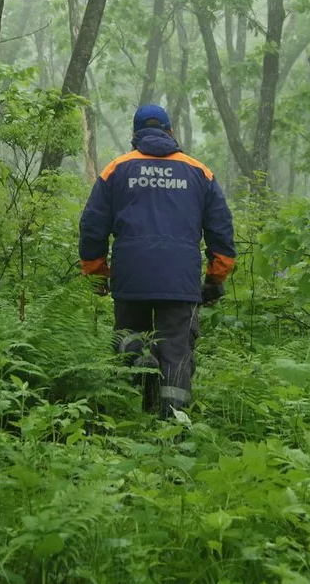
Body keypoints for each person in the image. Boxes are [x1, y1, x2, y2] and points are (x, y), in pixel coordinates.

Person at [79, 104, 235, 417]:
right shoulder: (199, 172)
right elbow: (221, 228)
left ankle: (135, 370)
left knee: (128, 337)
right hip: (180, 280)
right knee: (176, 352)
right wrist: (216, 277)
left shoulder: (116, 170)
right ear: (170, 132)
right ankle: (172, 425)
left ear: (134, 135)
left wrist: (97, 273)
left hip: (131, 276)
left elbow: (92, 225)